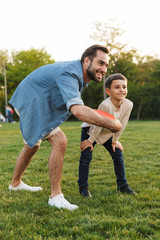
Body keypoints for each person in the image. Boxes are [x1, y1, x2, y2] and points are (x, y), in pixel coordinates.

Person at [8, 45, 122, 211]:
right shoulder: (70, 73)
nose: (104, 69)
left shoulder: (79, 75)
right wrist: (112, 123)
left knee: (32, 145)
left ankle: (15, 183)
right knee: (59, 141)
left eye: (106, 65)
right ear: (87, 61)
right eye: (100, 63)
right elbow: (77, 110)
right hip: (30, 102)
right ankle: (55, 196)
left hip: (33, 100)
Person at [78, 73, 136, 198]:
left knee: (118, 155)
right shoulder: (105, 105)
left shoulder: (128, 104)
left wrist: (115, 141)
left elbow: (122, 124)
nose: (121, 90)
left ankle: (123, 186)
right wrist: (89, 141)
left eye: (124, 87)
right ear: (108, 91)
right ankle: (83, 188)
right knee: (86, 157)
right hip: (91, 129)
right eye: (117, 87)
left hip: (108, 131)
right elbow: (98, 124)